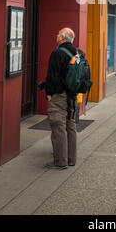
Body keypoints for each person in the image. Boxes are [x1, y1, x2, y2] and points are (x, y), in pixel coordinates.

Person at [44, 27, 83, 169]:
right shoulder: (77, 53)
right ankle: (71, 159)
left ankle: (60, 161)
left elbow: (53, 76)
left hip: (59, 95)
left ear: (62, 38)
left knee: (58, 126)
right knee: (71, 125)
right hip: (72, 95)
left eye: (58, 33)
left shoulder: (57, 53)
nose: (56, 35)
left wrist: (49, 93)